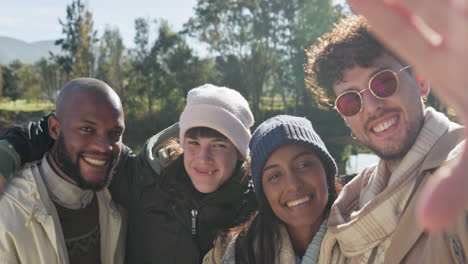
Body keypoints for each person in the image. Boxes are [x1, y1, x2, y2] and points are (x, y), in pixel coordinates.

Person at [0, 84, 257, 264]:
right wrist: (8, 153)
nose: (203, 158)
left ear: (240, 151)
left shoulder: (257, 208)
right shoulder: (143, 178)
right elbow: (72, 132)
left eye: (219, 145)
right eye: (193, 142)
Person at [306, 14, 467, 263]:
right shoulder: (350, 203)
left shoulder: (460, 175)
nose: (371, 107)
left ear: (421, 81)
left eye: (383, 83)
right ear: (346, 118)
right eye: (351, 100)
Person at [0, 78, 127, 263]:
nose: (104, 147)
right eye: (87, 129)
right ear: (54, 129)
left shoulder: (117, 197)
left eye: (115, 134)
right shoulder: (9, 216)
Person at [203, 115, 341, 264]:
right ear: (263, 192)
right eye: (275, 176)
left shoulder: (366, 239)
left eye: (303, 165)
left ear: (326, 170)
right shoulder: (231, 253)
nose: (292, 184)